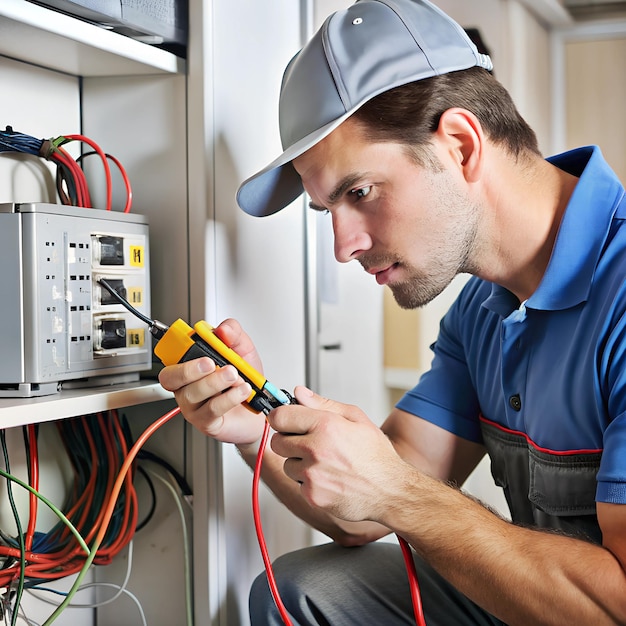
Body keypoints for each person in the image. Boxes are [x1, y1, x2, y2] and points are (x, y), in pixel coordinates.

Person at [158, 0, 626, 624]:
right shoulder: (481, 312)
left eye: (360, 192)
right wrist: (255, 428)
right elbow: (364, 508)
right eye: (328, 211)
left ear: (461, 144)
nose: (343, 245)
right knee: (304, 589)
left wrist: (399, 494)